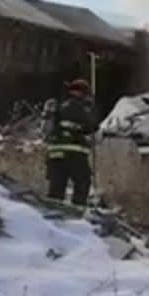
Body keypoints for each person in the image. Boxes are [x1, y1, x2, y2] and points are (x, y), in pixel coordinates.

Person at [45, 79, 97, 207]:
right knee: (83, 181)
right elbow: (90, 128)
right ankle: (78, 211)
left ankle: (52, 212)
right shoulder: (77, 106)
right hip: (74, 154)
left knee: (56, 187)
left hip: (54, 154)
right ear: (82, 93)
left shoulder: (59, 107)